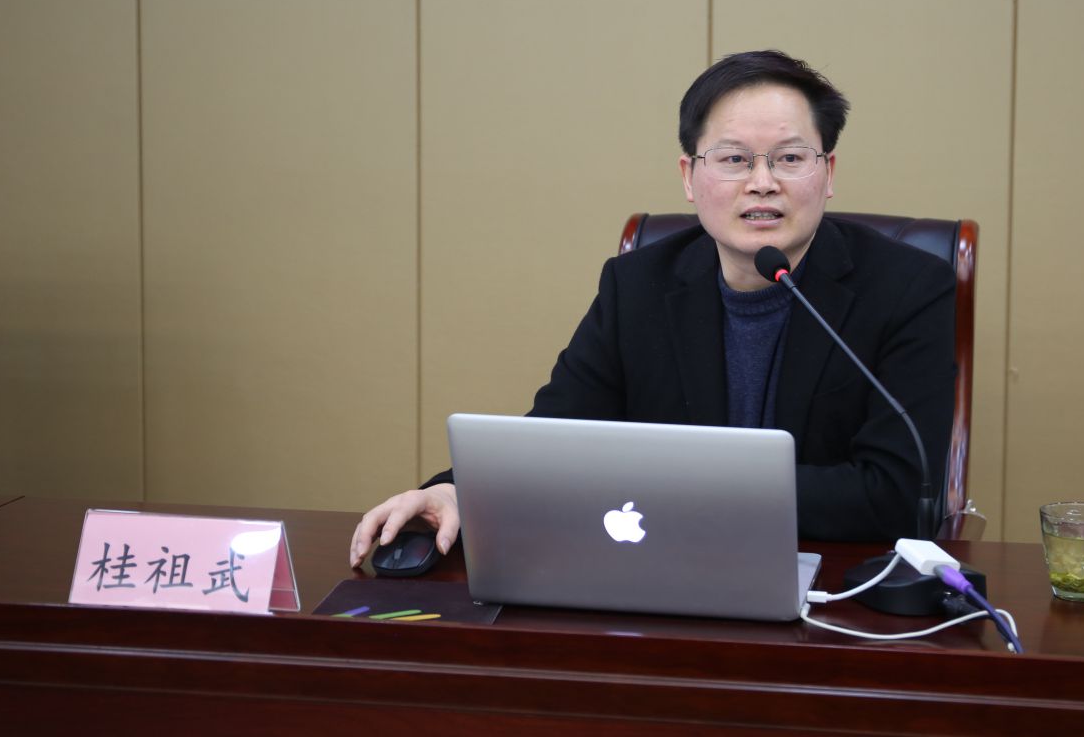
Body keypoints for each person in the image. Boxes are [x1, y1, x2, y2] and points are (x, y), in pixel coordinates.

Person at [350, 50, 956, 567]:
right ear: (689, 177)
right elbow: (556, 438)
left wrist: (680, 486)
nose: (762, 182)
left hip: (831, 586)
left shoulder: (908, 289)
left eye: (790, 158)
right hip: (659, 570)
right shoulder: (637, 286)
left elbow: (896, 493)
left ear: (828, 173)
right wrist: (456, 494)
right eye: (734, 159)